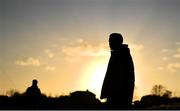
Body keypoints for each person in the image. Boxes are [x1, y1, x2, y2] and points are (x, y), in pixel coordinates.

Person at [100, 33, 135, 109]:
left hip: (118, 98)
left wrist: (112, 94)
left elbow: (121, 78)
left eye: (111, 41)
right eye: (109, 41)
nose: (109, 43)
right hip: (116, 96)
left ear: (117, 42)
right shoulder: (118, 54)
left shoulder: (122, 55)